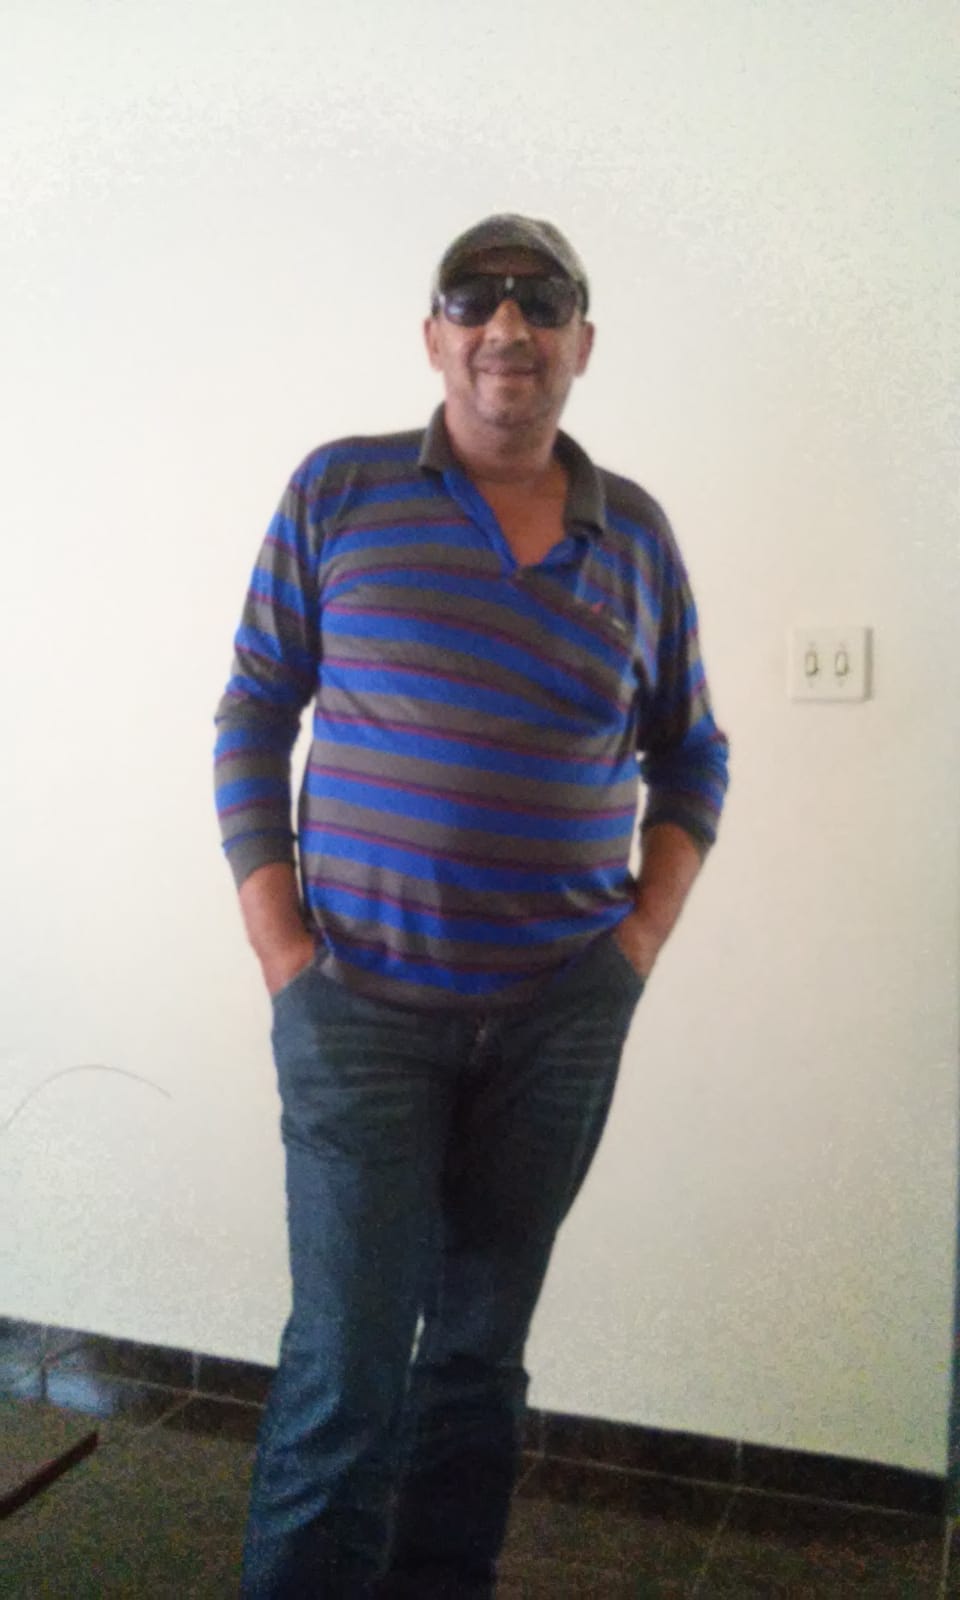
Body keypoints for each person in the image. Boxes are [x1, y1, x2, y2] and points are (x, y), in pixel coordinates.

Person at [214, 213, 729, 1598]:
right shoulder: (341, 490)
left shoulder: (636, 533)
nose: (510, 324)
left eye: (542, 300)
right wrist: (281, 948)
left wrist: (638, 942)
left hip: (557, 1023)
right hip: (359, 1016)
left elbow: (693, 750)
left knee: (477, 1362)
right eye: (476, 297)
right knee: (346, 1371)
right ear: (434, 336)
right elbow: (254, 709)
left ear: (582, 343)